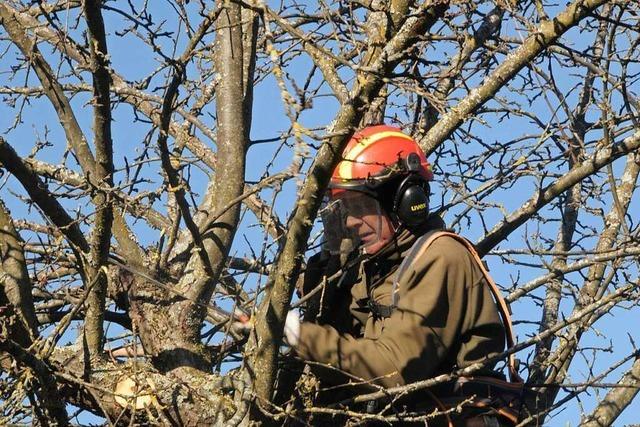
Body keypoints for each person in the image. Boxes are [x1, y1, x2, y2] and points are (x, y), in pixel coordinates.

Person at [284, 125, 520, 426]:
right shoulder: (374, 269)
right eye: (345, 210)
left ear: (406, 202)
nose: (352, 222)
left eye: (360, 207)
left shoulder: (441, 256)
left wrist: (295, 334)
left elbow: (390, 368)